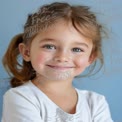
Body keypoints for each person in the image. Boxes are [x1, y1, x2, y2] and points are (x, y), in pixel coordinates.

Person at [1, 2, 113, 122]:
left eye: (76, 49)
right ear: (27, 52)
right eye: (49, 46)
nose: (62, 57)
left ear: (90, 58)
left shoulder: (96, 103)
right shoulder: (20, 97)